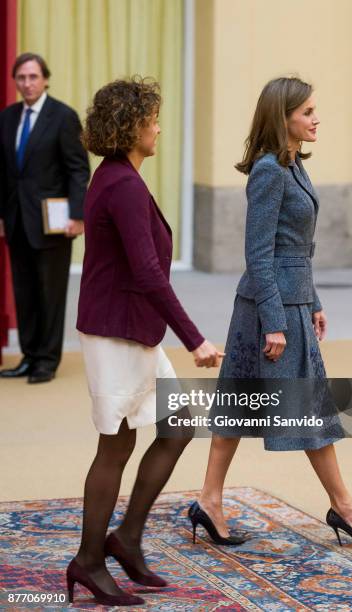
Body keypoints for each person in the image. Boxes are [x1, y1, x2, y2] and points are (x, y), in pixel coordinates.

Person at [189, 77, 352, 549]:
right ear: (283, 119)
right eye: (307, 112)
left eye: (315, 110)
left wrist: (314, 300)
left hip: (289, 302)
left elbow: (297, 248)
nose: (316, 118)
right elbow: (258, 253)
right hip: (268, 310)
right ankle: (346, 509)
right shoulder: (268, 171)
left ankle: (209, 500)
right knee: (308, 409)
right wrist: (276, 321)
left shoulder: (292, 164)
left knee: (241, 409)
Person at [67, 76, 223, 607]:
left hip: (132, 329)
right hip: (116, 333)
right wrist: (196, 339)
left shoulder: (115, 176)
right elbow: (152, 273)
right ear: (131, 126)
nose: (158, 126)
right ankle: (88, 561)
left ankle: (126, 538)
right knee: (115, 446)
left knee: (177, 427)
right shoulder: (123, 185)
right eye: (152, 117)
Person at [0, 53, 90, 383]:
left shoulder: (63, 116)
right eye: (21, 78)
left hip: (54, 222)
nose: (27, 83)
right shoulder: (7, 118)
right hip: (16, 220)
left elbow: (78, 169)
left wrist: (78, 216)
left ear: (46, 79)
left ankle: (47, 361)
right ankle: (29, 355)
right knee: (23, 292)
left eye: (33, 77)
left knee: (49, 291)